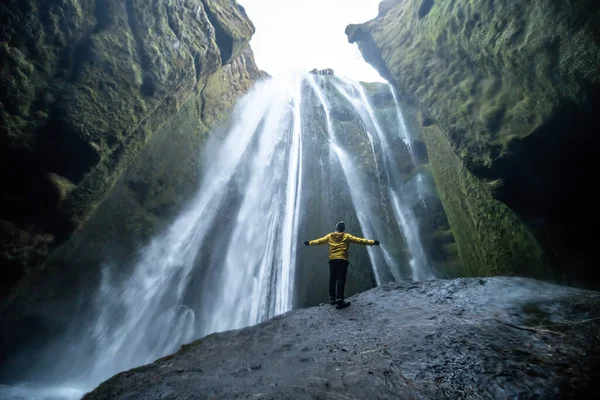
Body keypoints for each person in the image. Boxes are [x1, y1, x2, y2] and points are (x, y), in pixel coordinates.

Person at [304, 221, 379, 309]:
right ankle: (339, 299)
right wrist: (373, 242)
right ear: (343, 229)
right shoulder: (347, 236)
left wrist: (309, 243)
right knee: (341, 279)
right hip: (342, 260)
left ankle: (332, 298)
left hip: (332, 260)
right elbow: (360, 240)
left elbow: (319, 241)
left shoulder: (330, 236)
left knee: (332, 279)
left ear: (336, 229)